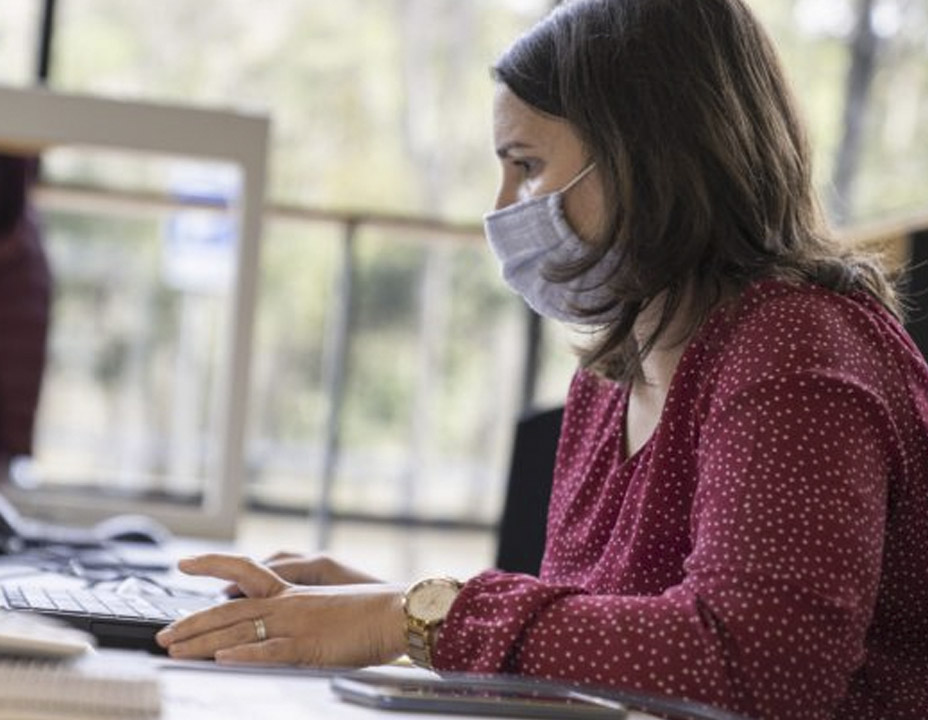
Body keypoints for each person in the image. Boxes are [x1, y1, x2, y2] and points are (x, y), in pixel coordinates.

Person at [155, 0, 928, 717]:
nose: (499, 209)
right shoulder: (613, 373)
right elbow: (609, 642)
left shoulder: (798, 350)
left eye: (525, 165)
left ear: (647, 154)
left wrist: (415, 616)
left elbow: (760, 667)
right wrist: (387, 604)